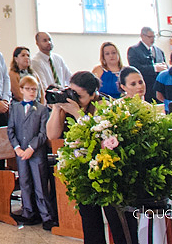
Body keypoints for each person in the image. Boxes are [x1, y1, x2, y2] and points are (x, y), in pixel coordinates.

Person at [48, 71, 136, 243]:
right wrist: (57, 106)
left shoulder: (105, 105)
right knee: (90, 225)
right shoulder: (69, 105)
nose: (74, 98)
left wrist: (77, 113)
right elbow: (52, 135)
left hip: (109, 172)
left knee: (118, 223)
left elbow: (98, 134)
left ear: (93, 93)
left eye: (79, 95)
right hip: (83, 172)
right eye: (71, 92)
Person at [7, 75, 53, 230]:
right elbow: (11, 130)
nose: (32, 92)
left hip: (36, 152)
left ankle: (46, 215)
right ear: (21, 90)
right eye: (28, 89)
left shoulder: (42, 109)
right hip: (21, 152)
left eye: (34, 89)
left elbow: (42, 133)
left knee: (40, 184)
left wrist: (31, 148)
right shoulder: (15, 108)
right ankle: (28, 212)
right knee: (25, 183)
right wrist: (17, 148)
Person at [127, 27, 167, 103]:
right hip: (146, 88)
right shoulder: (134, 50)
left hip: (159, 89)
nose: (153, 39)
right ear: (142, 36)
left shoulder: (159, 51)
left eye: (154, 36)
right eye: (150, 37)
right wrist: (154, 68)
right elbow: (135, 68)